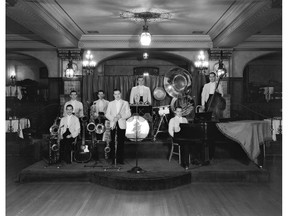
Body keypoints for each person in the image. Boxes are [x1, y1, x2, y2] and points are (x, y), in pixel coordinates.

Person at [105, 89, 131, 164]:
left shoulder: (125, 103)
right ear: (113, 95)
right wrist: (113, 119)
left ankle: (120, 159)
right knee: (113, 141)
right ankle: (113, 159)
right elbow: (107, 114)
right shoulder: (110, 103)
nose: (117, 95)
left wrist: (120, 117)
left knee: (121, 142)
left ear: (121, 94)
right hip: (113, 124)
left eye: (118, 94)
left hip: (122, 124)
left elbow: (128, 114)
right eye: (115, 94)